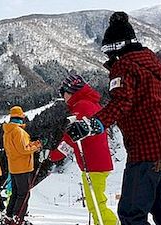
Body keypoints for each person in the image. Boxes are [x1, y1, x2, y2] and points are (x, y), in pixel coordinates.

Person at [66, 12, 161, 225]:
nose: (107, 59)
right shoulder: (154, 67)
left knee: (131, 214)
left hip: (147, 151)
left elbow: (121, 102)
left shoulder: (124, 66)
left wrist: (92, 124)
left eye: (107, 52)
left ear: (115, 49)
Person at [50, 74, 118, 225]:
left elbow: (72, 137)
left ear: (71, 91)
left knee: (96, 203)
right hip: (98, 161)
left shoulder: (82, 106)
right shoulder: (91, 103)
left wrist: (54, 155)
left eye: (63, 93)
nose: (63, 97)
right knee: (96, 201)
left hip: (93, 163)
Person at [2, 106, 43, 225]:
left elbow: (16, 149)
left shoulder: (8, 131)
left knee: (15, 193)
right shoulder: (18, 131)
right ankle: (18, 218)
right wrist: (36, 146)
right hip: (23, 167)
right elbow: (24, 149)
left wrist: (31, 143)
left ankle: (9, 216)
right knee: (24, 194)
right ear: (20, 117)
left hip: (14, 166)